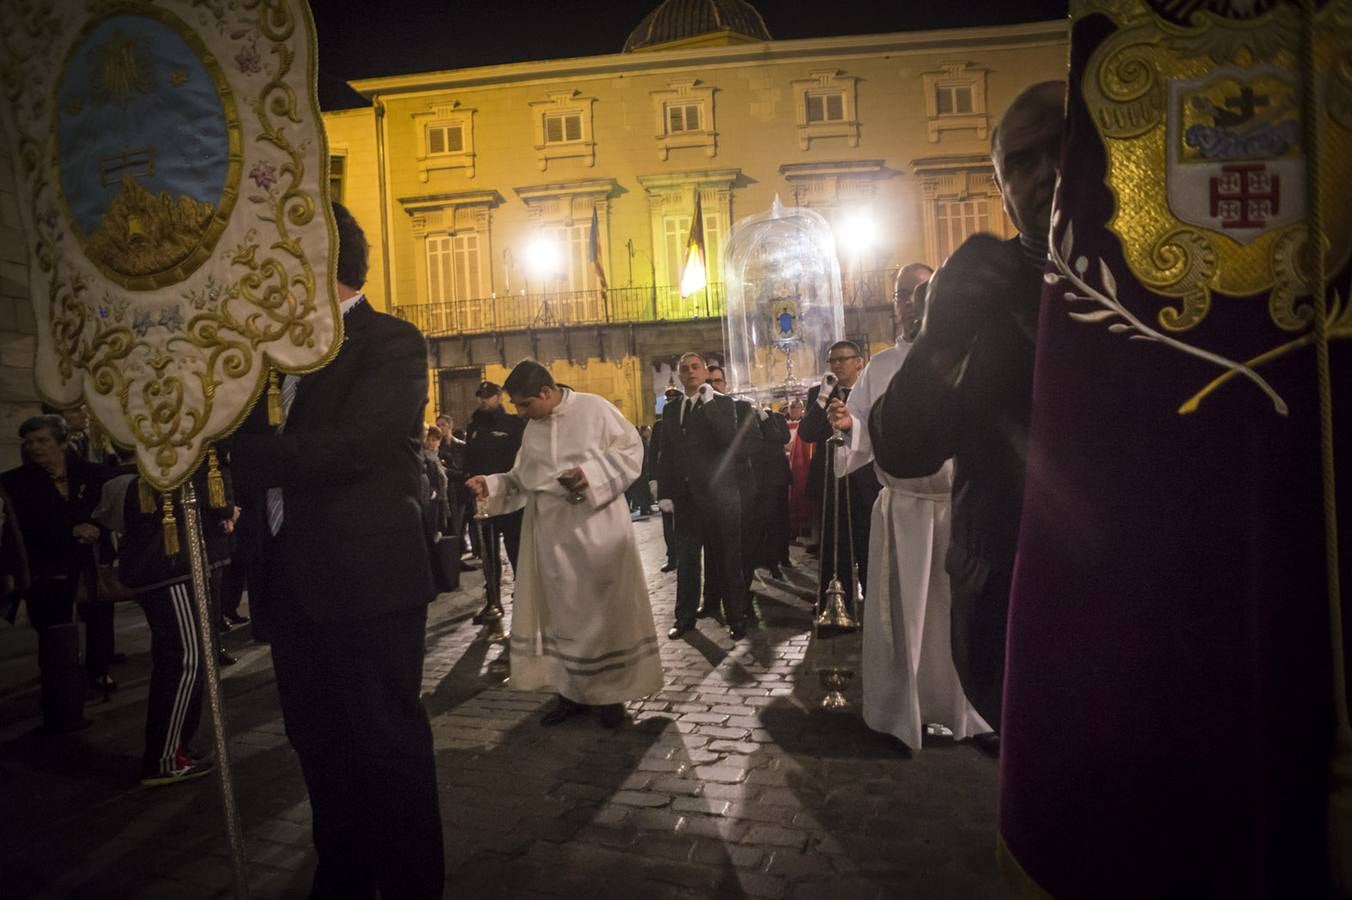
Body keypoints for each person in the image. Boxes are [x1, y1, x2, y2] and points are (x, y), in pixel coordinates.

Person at [230, 201, 444, 899]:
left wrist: (248, 457)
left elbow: (355, 445)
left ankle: (412, 883)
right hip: (289, 580)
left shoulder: (389, 341)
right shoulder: (270, 362)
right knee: (317, 743)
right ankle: (344, 873)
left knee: (386, 745)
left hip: (367, 578)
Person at [869, 83, 1064, 734]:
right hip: (1007, 594)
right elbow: (904, 446)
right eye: (1021, 162)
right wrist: (941, 337)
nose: (1048, 174)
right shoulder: (985, 286)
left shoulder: (1168, 287)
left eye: (1065, 151)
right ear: (1002, 185)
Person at [831, 273, 989, 751]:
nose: (912, 303)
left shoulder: (973, 355)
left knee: (960, 616)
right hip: (904, 510)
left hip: (959, 509)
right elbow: (858, 433)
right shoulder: (880, 366)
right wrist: (847, 424)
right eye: (903, 294)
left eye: (924, 291)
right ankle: (904, 710)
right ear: (895, 304)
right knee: (903, 617)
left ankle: (968, 710)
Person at [467, 360, 663, 729]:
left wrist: (589, 476)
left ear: (546, 392)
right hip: (551, 535)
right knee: (559, 613)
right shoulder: (534, 428)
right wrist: (491, 485)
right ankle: (569, 692)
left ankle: (609, 697)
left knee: (602, 611)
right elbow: (522, 478)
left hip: (597, 527)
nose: (522, 413)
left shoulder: (595, 409)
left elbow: (631, 451)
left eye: (525, 404)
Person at [92, 460, 231, 785]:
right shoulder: (155, 477)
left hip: (171, 570)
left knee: (185, 660)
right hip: (170, 572)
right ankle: (165, 758)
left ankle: (177, 747)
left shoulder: (140, 476)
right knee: (184, 661)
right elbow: (215, 506)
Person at [0, 415, 113, 692]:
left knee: (99, 616)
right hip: (47, 563)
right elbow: (24, 525)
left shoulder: (92, 473)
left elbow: (107, 507)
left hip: (89, 559)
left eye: (42, 440)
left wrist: (96, 527)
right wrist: (72, 530)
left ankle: (99, 671)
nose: (35, 447)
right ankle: (60, 683)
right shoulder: (16, 482)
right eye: (29, 442)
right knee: (52, 628)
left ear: (62, 442)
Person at [654, 352, 752, 641]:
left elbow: (727, 439)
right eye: (684, 368)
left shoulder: (723, 404)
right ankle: (684, 618)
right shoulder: (672, 410)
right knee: (686, 560)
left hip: (720, 496)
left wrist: (709, 403)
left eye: (695, 367)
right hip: (686, 499)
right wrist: (664, 491)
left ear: (705, 372)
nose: (690, 371)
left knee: (728, 559)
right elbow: (667, 453)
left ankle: (737, 617)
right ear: (679, 375)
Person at [800, 341, 879, 617]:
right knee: (835, 545)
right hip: (831, 481)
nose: (836, 365)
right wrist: (822, 397)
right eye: (832, 361)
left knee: (869, 541)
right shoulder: (819, 395)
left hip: (866, 481)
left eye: (842, 359)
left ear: (859, 362)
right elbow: (807, 433)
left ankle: (873, 602)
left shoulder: (871, 391)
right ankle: (834, 601)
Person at [465, 379, 525, 624]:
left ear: (499, 397)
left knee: (516, 550)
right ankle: (492, 600)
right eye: (481, 396)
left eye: (488, 396)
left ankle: (523, 597)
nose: (484, 400)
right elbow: (469, 459)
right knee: (488, 553)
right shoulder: (474, 427)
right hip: (483, 498)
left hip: (509, 497)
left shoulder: (513, 424)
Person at [647, 388, 683, 573]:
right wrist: (653, 478)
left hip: (684, 479)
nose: (669, 401)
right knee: (667, 521)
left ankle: (684, 555)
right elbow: (653, 455)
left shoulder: (686, 418)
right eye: (667, 399)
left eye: (673, 399)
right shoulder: (660, 425)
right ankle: (672, 556)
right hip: (665, 479)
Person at [785, 398, 812, 550]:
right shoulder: (782, 423)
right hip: (785, 463)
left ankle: (803, 533)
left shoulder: (805, 425)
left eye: (798, 407)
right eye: (793, 407)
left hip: (800, 465)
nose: (795, 410)